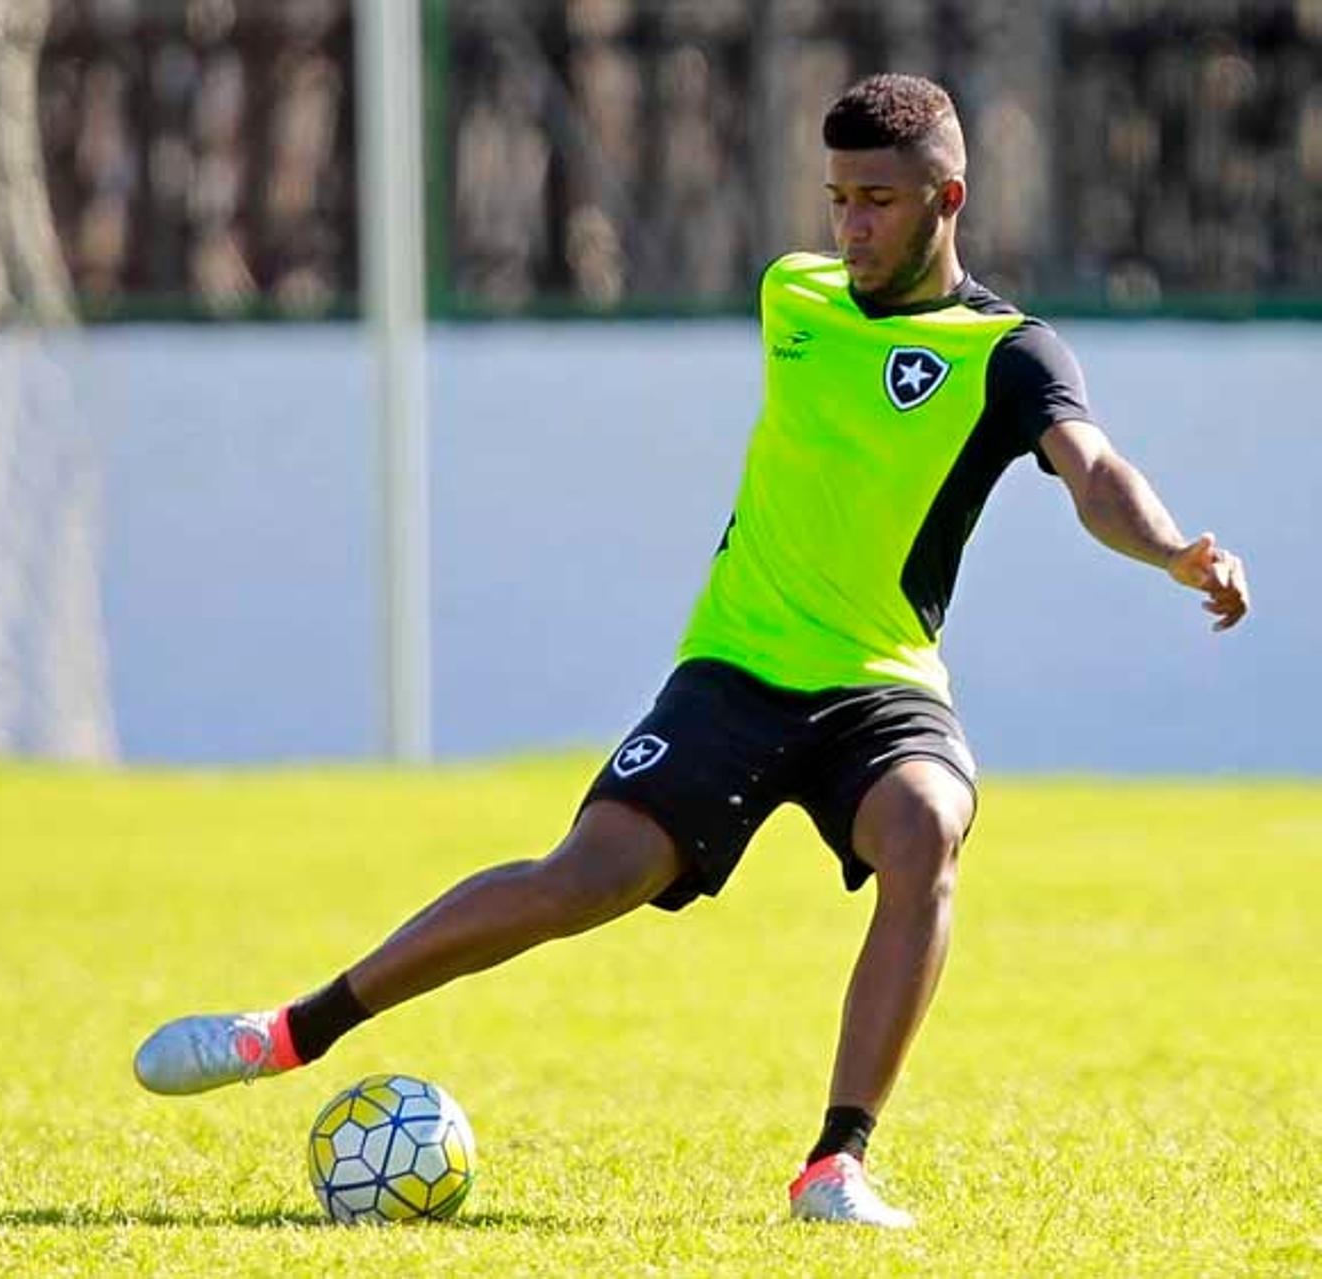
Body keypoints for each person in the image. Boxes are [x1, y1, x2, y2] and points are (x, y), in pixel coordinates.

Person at [130, 73, 1251, 1227]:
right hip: (733, 669)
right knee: (583, 880)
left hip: (880, 686)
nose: (852, 225)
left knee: (926, 825)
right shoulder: (795, 296)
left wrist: (1174, 551)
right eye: (838, 199)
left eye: (878, 200)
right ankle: (290, 1031)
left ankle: (836, 1165)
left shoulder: (1007, 355)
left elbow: (1095, 469)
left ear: (946, 197)